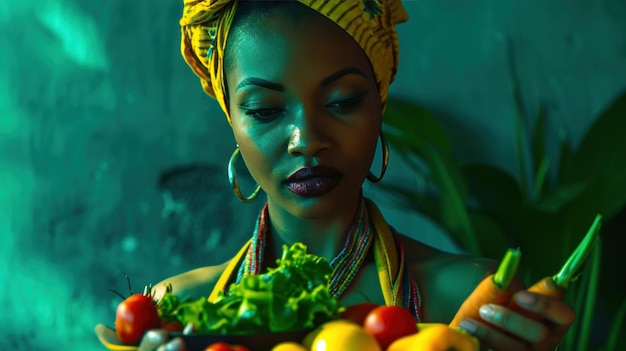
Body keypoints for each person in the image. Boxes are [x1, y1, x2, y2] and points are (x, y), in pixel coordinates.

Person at [97, 1, 575, 350]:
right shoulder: (175, 312)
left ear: (380, 104)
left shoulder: (475, 301)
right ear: (231, 120)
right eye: (264, 110)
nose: (306, 138)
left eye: (342, 101)